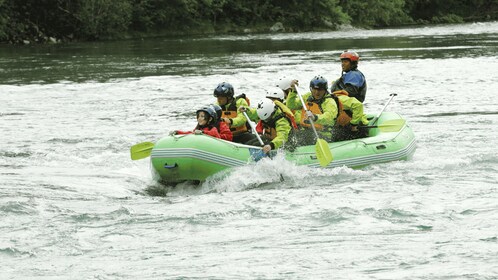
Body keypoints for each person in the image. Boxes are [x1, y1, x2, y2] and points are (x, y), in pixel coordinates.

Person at [286, 75, 338, 145]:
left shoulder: (329, 102)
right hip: (306, 131)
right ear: (311, 88)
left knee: (305, 137)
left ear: (325, 90)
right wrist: (293, 91)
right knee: (290, 134)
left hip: (323, 134)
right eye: (314, 89)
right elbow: (291, 105)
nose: (316, 92)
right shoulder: (307, 97)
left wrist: (315, 117)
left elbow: (329, 117)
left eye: (320, 90)